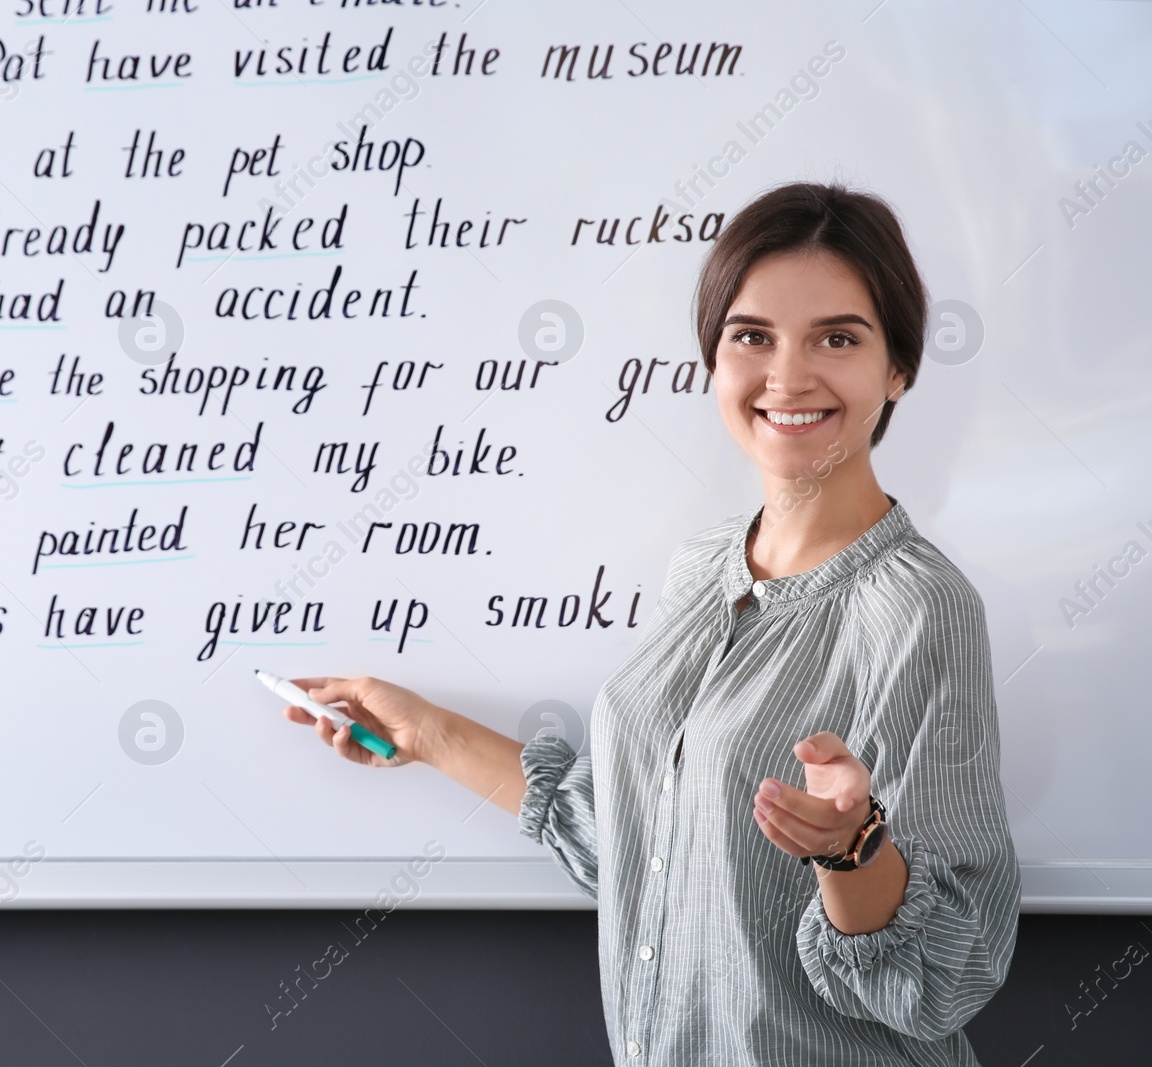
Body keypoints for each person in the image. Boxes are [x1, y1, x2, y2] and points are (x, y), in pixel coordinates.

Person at [281, 182, 1022, 1065]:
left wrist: (853, 852)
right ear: (715, 358)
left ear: (898, 367)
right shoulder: (701, 567)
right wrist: (428, 732)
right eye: (752, 337)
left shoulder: (920, 608)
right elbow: (641, 845)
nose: (788, 375)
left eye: (838, 337)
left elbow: (950, 977)